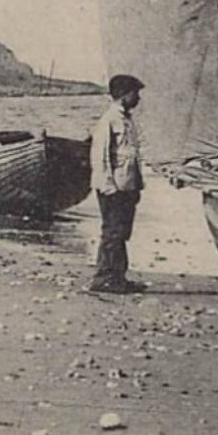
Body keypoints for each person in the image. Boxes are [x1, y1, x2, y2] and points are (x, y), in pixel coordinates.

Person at [87, 74, 145, 295]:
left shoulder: (126, 120)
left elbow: (132, 156)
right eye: (135, 93)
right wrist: (108, 186)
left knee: (122, 232)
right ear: (124, 95)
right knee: (112, 232)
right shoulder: (108, 120)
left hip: (127, 186)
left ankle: (117, 276)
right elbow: (100, 157)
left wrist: (137, 186)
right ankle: (104, 278)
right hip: (113, 187)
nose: (137, 97)